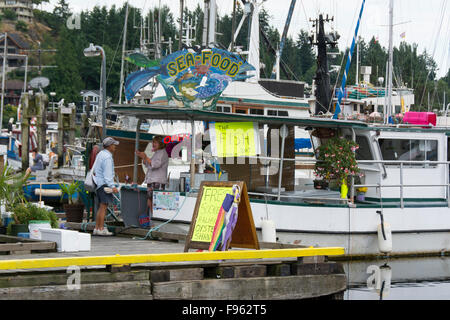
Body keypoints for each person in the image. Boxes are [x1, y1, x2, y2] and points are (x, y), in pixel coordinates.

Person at [136, 135, 169, 220]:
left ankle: (154, 220)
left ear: (160, 143)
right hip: (152, 180)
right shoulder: (157, 153)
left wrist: (146, 157)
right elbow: (149, 165)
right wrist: (144, 158)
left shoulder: (162, 153)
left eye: (155, 142)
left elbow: (155, 165)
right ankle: (151, 219)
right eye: (153, 142)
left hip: (157, 181)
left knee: (155, 202)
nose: (153, 144)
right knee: (150, 201)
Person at [92, 137, 120, 236]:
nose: (115, 147)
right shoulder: (108, 157)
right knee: (104, 207)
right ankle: (101, 228)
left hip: (99, 184)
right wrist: (113, 187)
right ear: (109, 146)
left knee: (101, 207)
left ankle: (97, 228)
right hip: (105, 185)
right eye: (113, 145)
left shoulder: (100, 154)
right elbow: (108, 175)